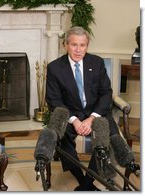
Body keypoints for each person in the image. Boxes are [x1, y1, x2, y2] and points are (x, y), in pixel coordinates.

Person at [46, 26, 120, 191]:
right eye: (74, 45)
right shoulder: (55, 68)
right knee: (61, 137)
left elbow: (106, 93)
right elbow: (53, 99)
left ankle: (86, 184)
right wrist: (74, 120)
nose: (78, 50)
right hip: (70, 114)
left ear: (87, 45)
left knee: (108, 136)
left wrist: (91, 118)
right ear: (65, 45)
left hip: (96, 113)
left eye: (82, 45)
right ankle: (82, 180)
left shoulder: (97, 62)